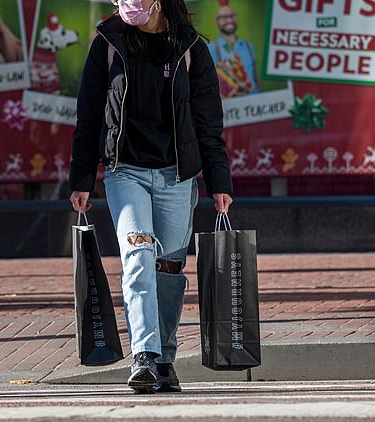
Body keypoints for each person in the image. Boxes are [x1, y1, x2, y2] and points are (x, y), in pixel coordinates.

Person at [69, 0, 233, 394]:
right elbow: (89, 114)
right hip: (125, 172)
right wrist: (82, 177)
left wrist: (219, 181)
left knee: (169, 270)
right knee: (137, 255)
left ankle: (165, 358)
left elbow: (209, 121)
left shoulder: (191, 48)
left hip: (177, 176)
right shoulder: (107, 43)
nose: (125, 3)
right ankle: (144, 355)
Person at [207, 0, 260, 97]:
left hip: (254, 103)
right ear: (216, 22)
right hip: (229, 107)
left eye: (232, 16)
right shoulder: (211, 49)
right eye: (223, 17)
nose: (229, 20)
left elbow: (254, 79)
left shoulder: (248, 46)